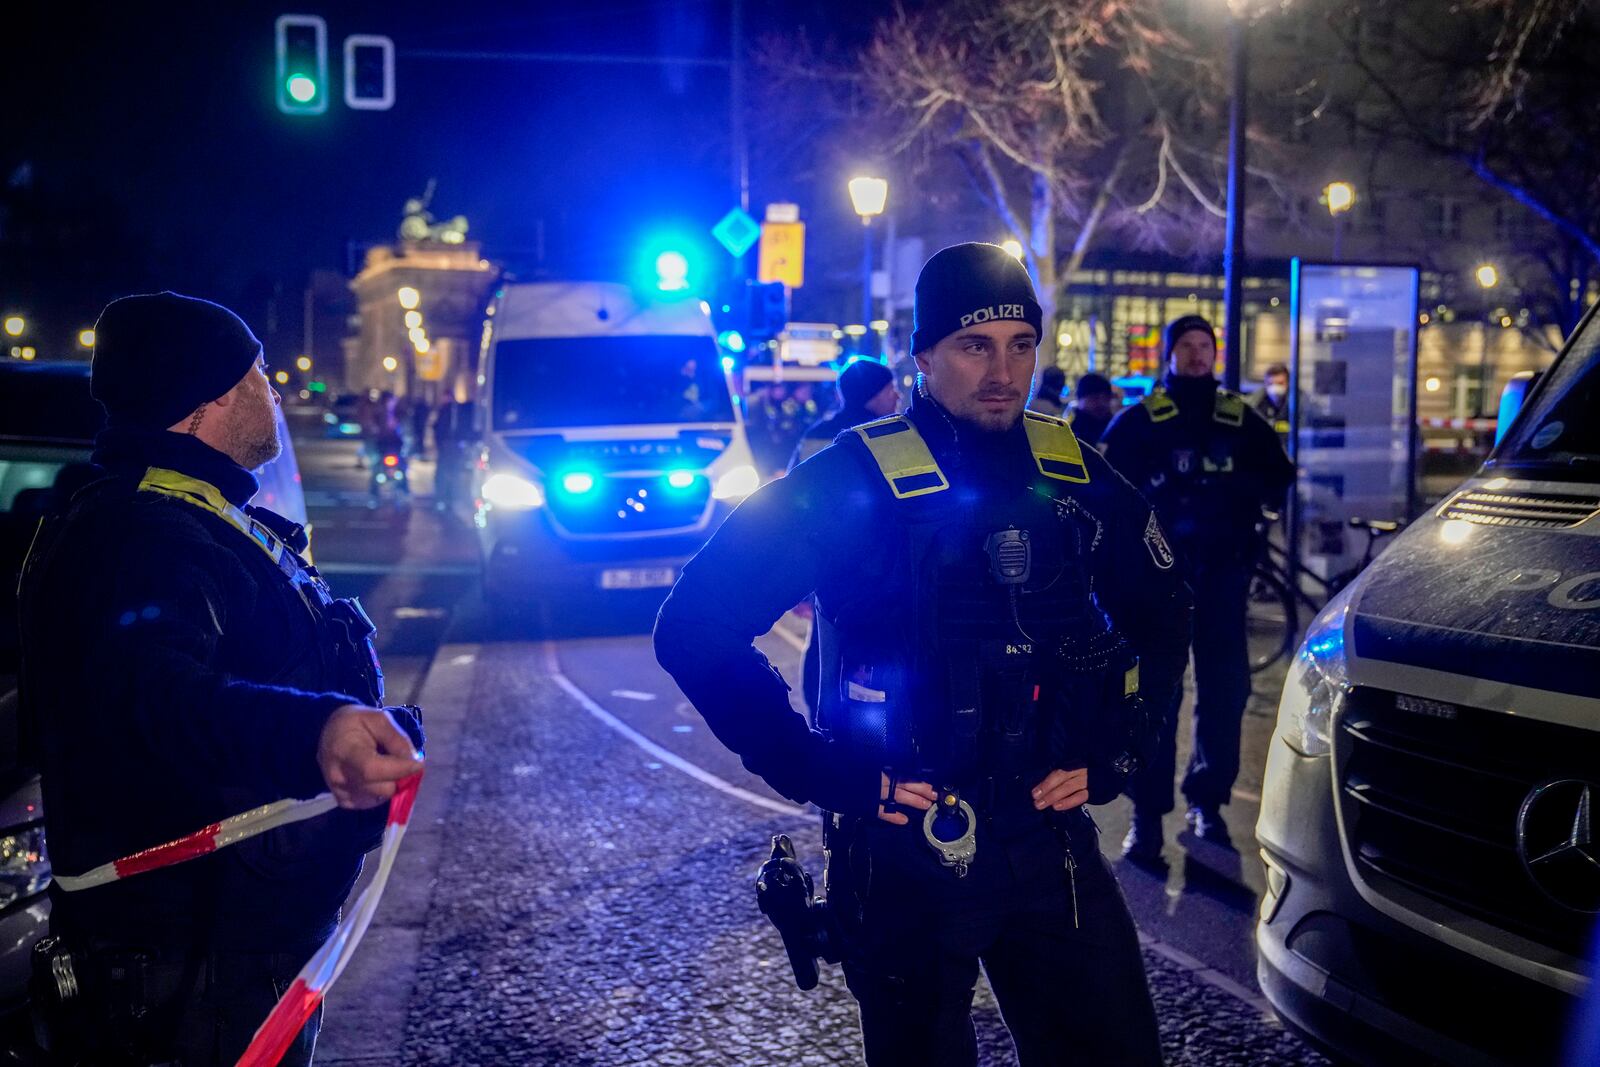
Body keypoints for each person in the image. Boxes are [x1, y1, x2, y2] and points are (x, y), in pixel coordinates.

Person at [656, 244, 1191, 1066]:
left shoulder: (1073, 471)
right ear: (925, 355)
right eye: (977, 345)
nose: (1003, 370)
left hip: (1048, 840)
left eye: (1022, 343)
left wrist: (1125, 748)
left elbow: (1165, 612)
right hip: (900, 846)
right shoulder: (849, 482)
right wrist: (817, 770)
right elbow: (693, 624)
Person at [16, 292, 426, 1066]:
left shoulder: (188, 518)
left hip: (226, 957)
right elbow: (154, 696)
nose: (272, 392)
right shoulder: (140, 535)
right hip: (185, 982)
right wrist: (318, 729)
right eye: (259, 375)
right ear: (209, 399)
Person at [1100, 314, 1294, 863]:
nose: (1195, 354)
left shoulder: (1239, 418)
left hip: (1223, 576)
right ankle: (1146, 815)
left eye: (1203, 345)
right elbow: (1109, 491)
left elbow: (1279, 475)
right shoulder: (1142, 422)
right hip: (1157, 583)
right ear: (1169, 354)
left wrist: (1251, 508)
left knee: (1226, 692)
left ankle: (1207, 803)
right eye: (1185, 346)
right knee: (1156, 694)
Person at [787, 358, 901, 722]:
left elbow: (794, 508)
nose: (896, 395)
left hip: (827, 565)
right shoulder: (892, 436)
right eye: (889, 389)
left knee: (824, 644)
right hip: (882, 568)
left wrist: (800, 583)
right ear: (871, 396)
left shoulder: (816, 435)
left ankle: (823, 721)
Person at [790, 358, 899, 469]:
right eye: (890, 391)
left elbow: (793, 480)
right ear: (869, 398)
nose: (898, 396)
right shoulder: (881, 434)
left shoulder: (816, 433)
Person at [432, 395, 479, 511]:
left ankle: (450, 498)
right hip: (448, 445)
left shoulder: (460, 411)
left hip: (454, 445)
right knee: (445, 472)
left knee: (453, 472)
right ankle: (443, 498)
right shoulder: (445, 411)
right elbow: (438, 428)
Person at [1067, 372, 1117, 446]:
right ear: (1080, 399)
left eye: (1106, 398)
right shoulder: (1071, 432)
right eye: (1095, 398)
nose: (1101, 403)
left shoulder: (1115, 429)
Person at [1251, 362, 1292, 443]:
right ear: (1265, 384)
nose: (1275, 388)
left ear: (1288, 384)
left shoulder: (1298, 404)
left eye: (1280, 383)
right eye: (1271, 384)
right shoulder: (1257, 404)